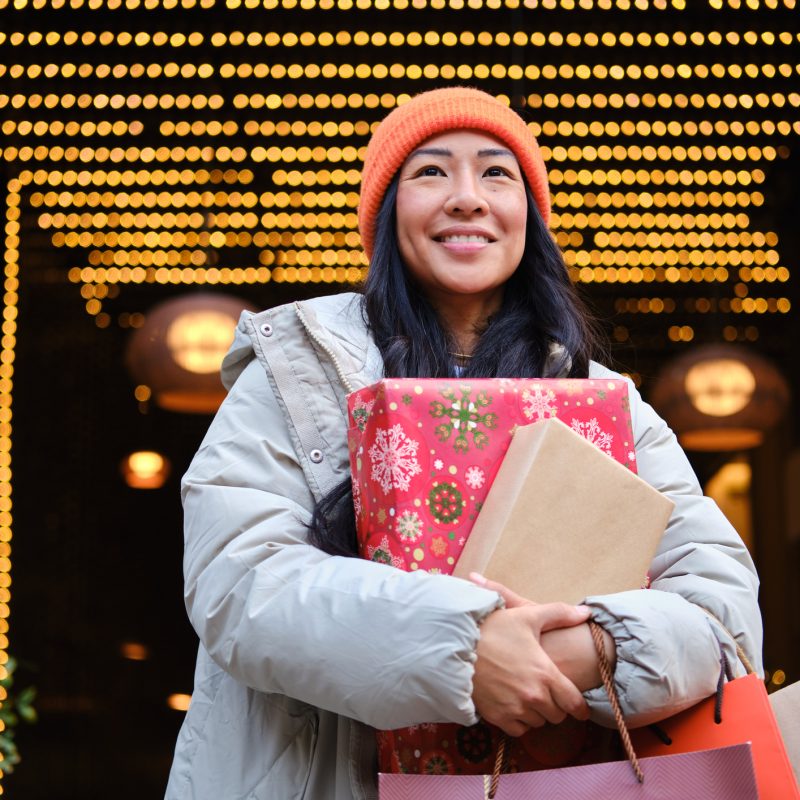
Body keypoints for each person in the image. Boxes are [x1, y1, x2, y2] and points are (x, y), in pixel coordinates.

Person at [164, 87, 762, 799]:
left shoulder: (605, 401)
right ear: (386, 217)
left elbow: (722, 612)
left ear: (530, 220)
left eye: (496, 173)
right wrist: (465, 651)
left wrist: (585, 651)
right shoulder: (296, 374)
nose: (467, 198)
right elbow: (239, 582)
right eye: (431, 172)